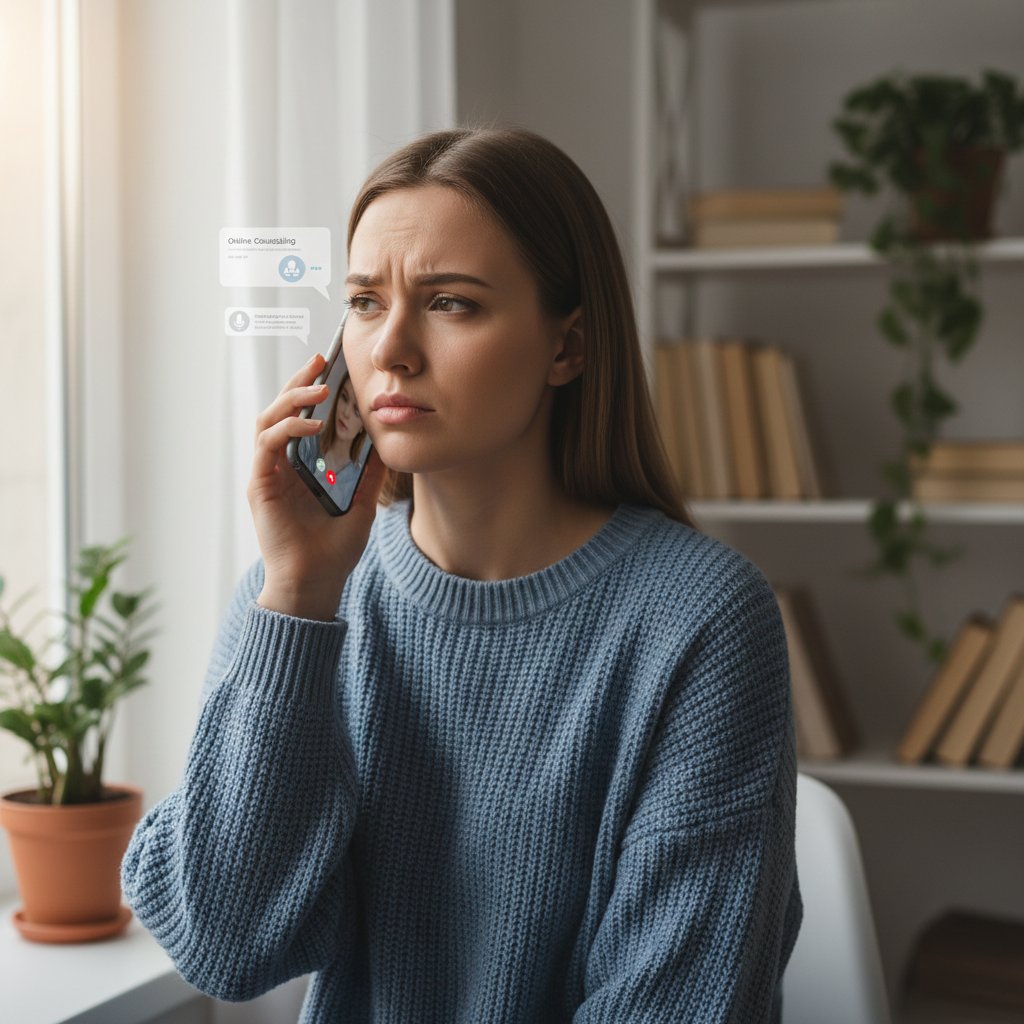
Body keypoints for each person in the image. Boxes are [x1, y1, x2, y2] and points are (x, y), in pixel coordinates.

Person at [122, 126, 802, 1022]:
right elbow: (227, 945)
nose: (391, 350)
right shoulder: (300, 597)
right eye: (365, 302)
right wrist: (296, 596)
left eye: (451, 304)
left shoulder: (703, 620)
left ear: (568, 348)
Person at [296, 370, 371, 500]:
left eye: (357, 411)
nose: (346, 412)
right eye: (344, 397)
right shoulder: (308, 446)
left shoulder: (358, 482)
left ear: (363, 426)